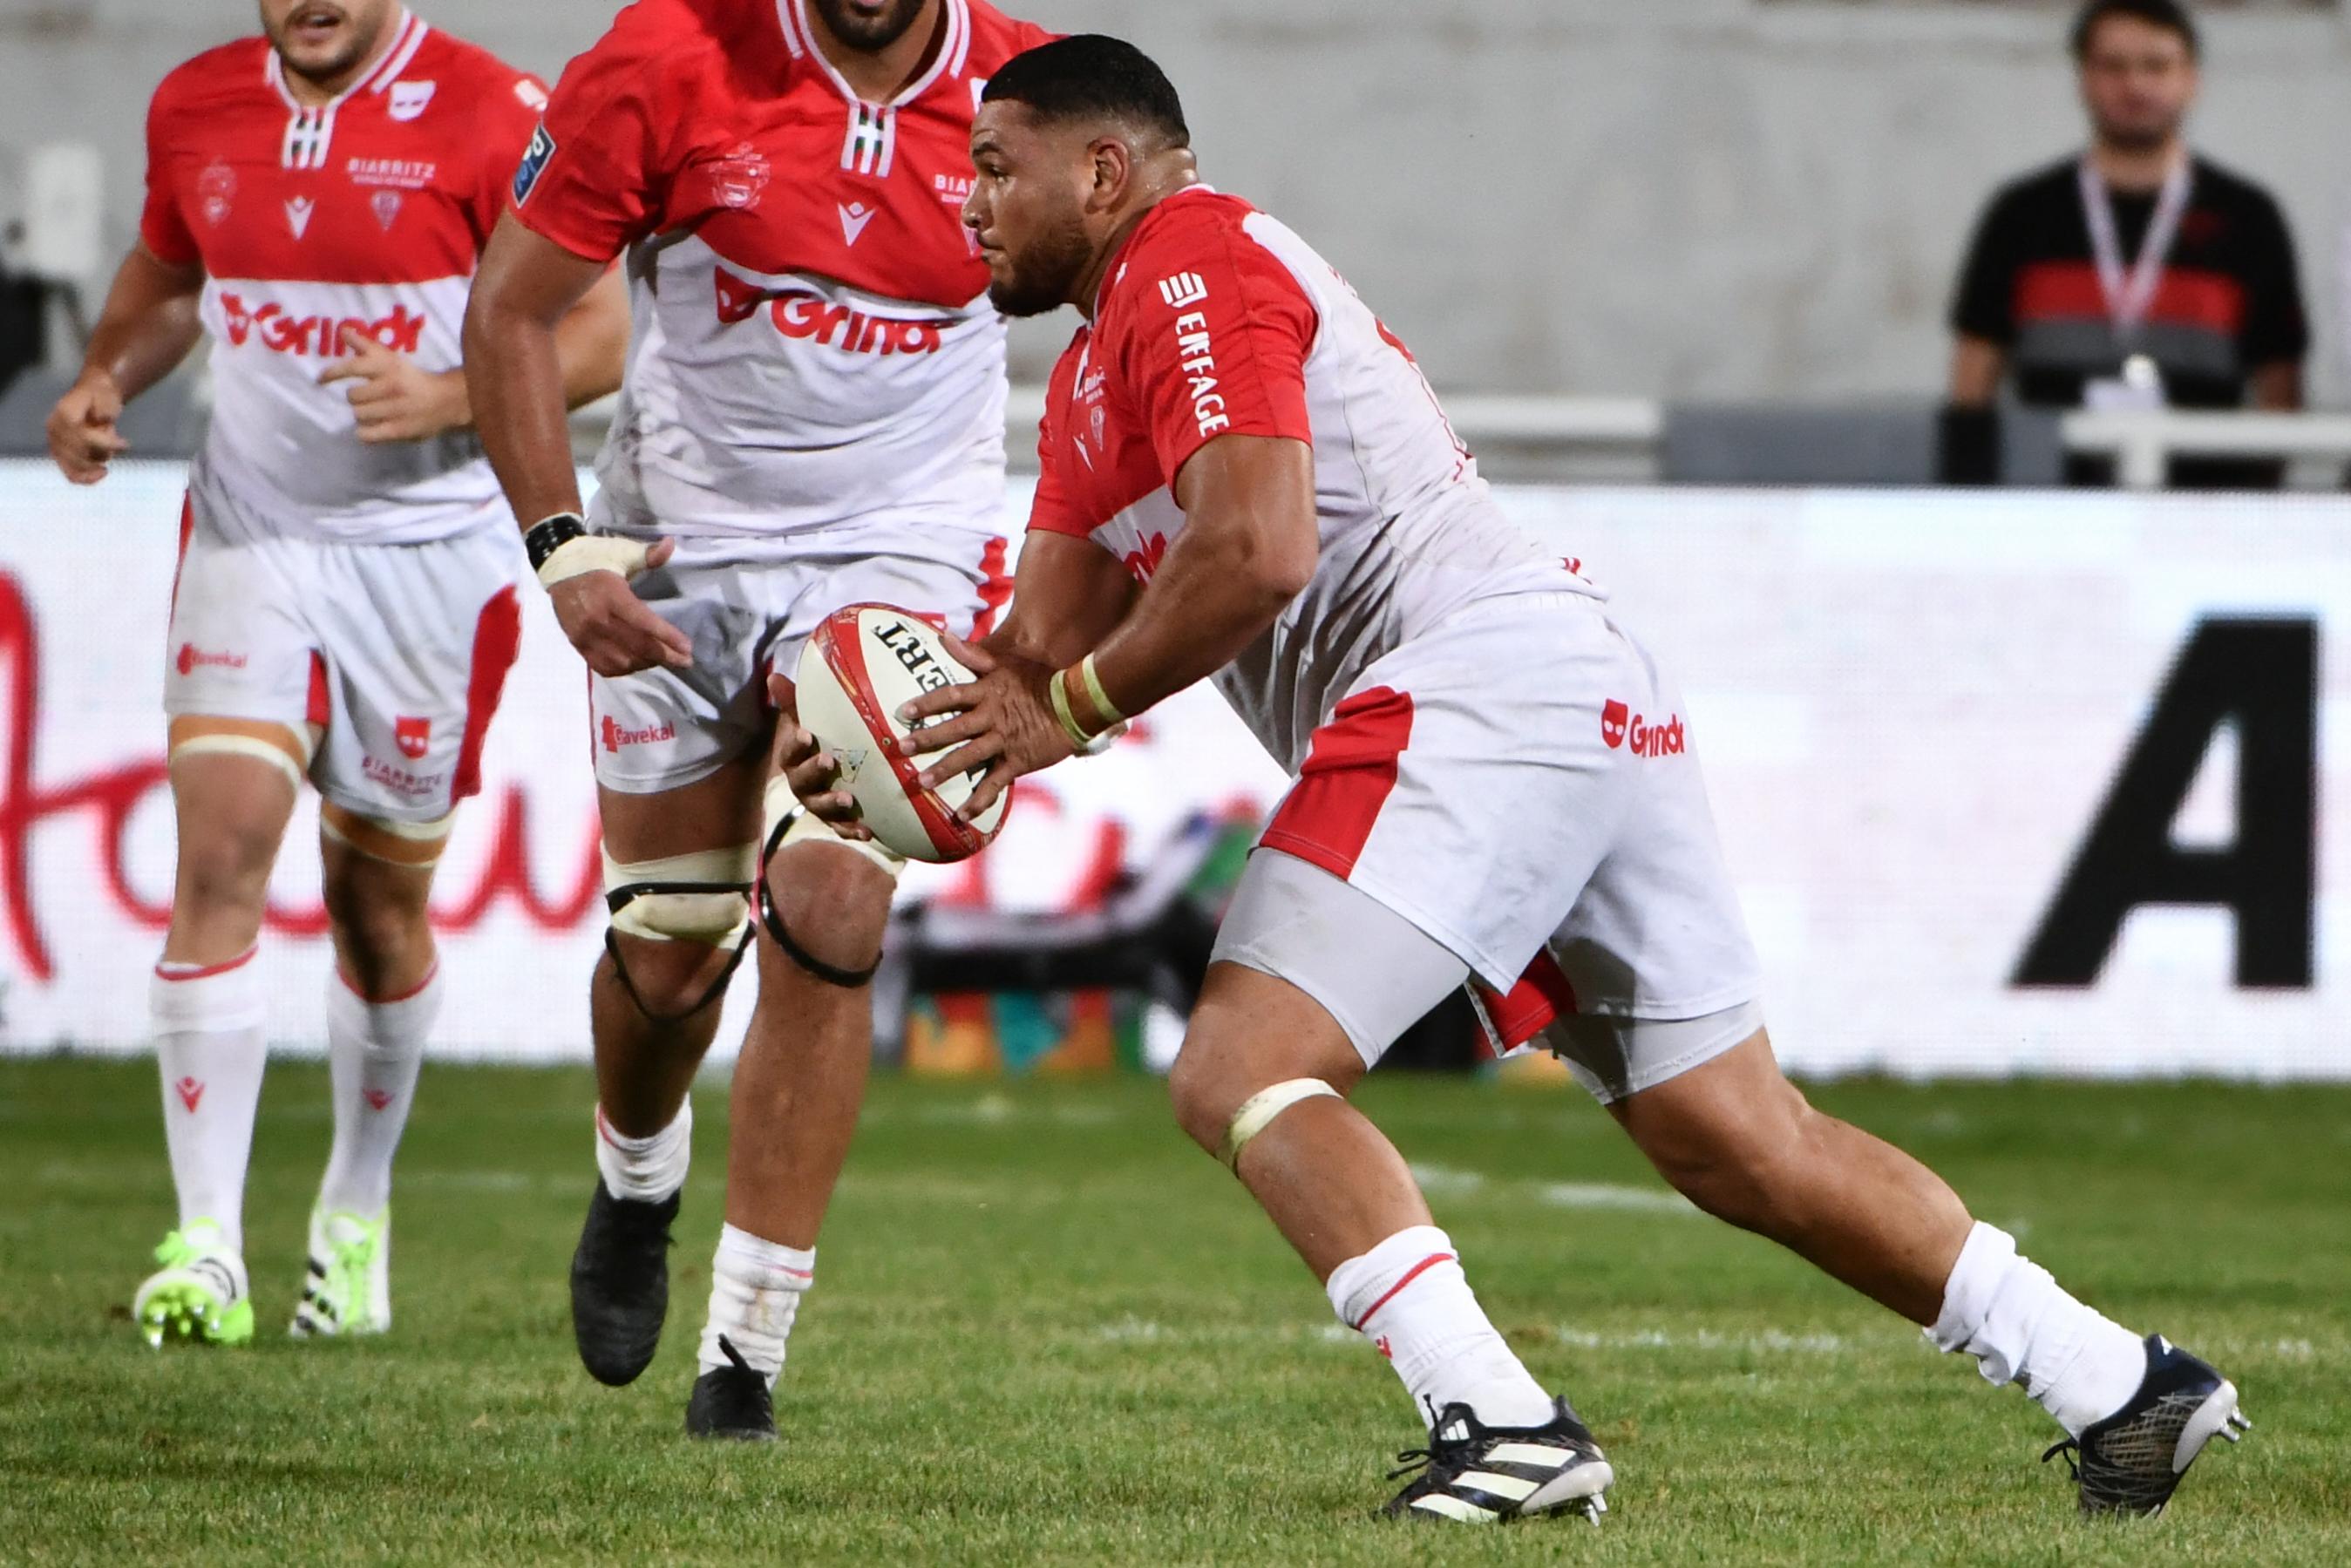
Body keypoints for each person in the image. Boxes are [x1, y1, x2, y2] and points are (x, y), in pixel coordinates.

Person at [789, 33, 2252, 1523]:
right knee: (1736, 1136)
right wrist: (864, 750)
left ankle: (1500, 1421)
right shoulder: (1097, 374)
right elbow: (1021, 673)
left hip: (1481, 677)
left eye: (991, 166)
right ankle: (2119, 1379)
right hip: (1567, 681)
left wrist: (1076, 707)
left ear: (1100, 172)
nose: (964, 200)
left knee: (1240, 1065)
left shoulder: (1190, 260)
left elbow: (1257, 549)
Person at [461, 0, 1053, 1440]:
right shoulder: (668, 57)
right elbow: (512, 310)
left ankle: (744, 1350)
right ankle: (635, 1175)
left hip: (900, 542)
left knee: (836, 891)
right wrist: (562, 551)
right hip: (679, 539)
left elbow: (1132, 327)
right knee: (669, 961)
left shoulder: (1031, 93)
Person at [45, 0, 629, 1347]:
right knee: (222, 853)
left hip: (430, 563)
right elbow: (170, 273)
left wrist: (454, 394)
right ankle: (206, 1245)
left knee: (375, 914)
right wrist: (101, 377)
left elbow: (598, 326)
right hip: (254, 534)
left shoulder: (495, 111)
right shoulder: (196, 104)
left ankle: (353, 1213)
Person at [1947, 0, 2309, 489]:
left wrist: (2256, 512)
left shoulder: (2248, 218)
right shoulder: (2023, 213)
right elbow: (1973, 379)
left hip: (2204, 508)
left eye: (2156, 66)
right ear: (2083, 79)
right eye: (2113, 67)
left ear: (2192, 79)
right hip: (2049, 499)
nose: (2135, 85)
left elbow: (2280, 391)